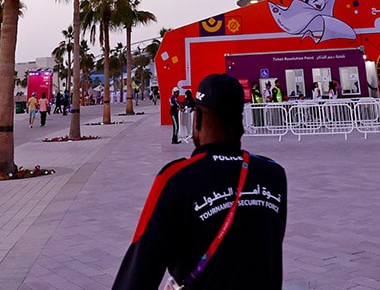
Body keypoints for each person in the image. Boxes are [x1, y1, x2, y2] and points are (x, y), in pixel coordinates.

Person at [112, 73, 287, 290]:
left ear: (197, 120)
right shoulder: (273, 176)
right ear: (241, 121)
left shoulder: (176, 180)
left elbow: (139, 272)